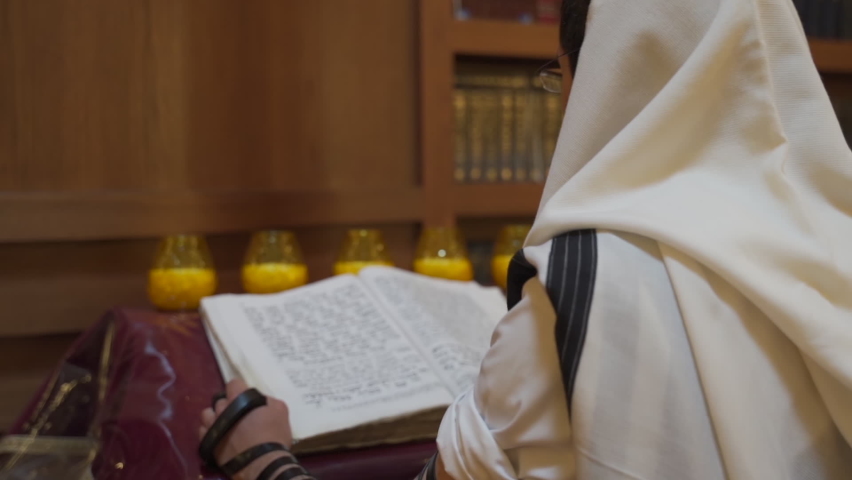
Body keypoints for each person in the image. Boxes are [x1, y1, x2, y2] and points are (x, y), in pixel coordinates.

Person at [198, 0, 852, 477]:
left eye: (560, 78)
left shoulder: (582, 281)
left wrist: (261, 456)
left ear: (599, 78)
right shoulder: (834, 249)